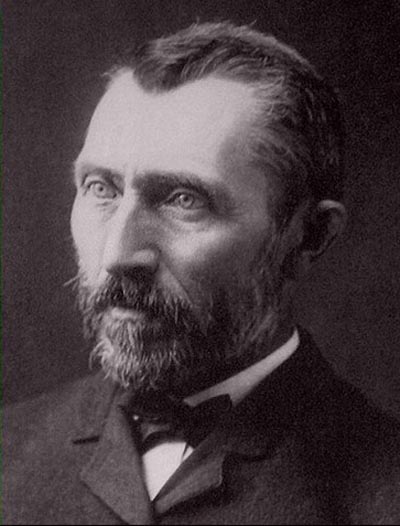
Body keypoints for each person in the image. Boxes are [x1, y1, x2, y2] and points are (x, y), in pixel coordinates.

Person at [4, 21, 400, 525]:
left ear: (310, 235)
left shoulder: (383, 492)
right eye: (101, 189)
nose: (117, 255)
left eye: (183, 200)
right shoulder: (9, 449)